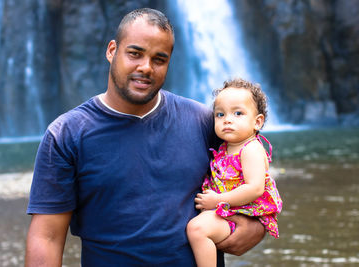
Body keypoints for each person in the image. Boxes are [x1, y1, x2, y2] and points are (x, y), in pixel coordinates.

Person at [25, 8, 265, 267]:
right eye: (135, 53)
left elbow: (254, 180)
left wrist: (257, 227)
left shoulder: (205, 122)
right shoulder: (66, 135)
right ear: (111, 51)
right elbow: (47, 237)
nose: (146, 67)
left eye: (159, 59)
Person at [186, 78, 283, 267]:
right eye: (220, 114)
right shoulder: (226, 147)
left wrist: (218, 200)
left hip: (243, 213)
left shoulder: (251, 149)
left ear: (258, 122)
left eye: (238, 113)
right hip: (230, 209)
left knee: (196, 229)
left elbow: (255, 189)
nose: (227, 119)